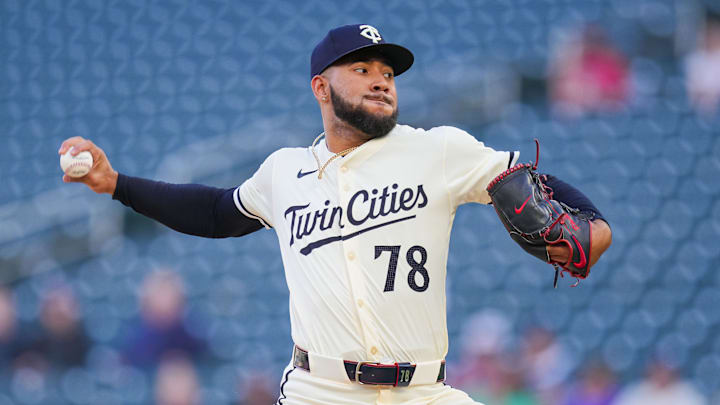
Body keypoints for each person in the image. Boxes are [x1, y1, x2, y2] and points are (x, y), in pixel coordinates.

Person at [58, 24, 612, 405]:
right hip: (318, 391)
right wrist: (116, 185)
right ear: (321, 87)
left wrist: (595, 221)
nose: (381, 79)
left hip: (423, 391)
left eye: (388, 74)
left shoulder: (437, 149)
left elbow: (525, 181)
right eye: (363, 68)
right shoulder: (285, 171)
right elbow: (215, 211)